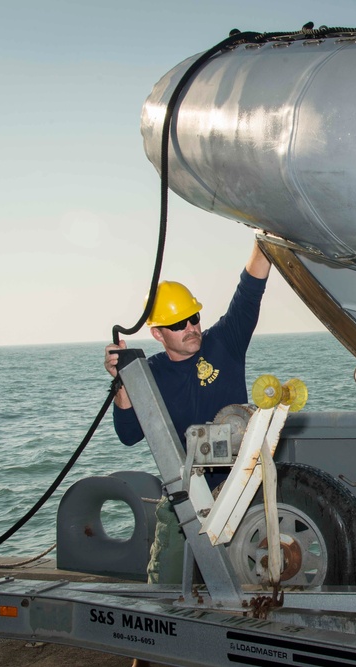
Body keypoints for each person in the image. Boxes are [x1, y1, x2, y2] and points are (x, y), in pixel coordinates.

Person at [103, 242, 271, 592]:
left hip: (239, 489)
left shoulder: (225, 341)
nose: (191, 327)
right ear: (158, 333)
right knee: (165, 589)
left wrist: (265, 241)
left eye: (193, 317)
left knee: (255, 587)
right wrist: (122, 382)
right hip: (185, 497)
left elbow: (250, 288)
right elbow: (129, 434)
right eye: (179, 323)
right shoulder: (148, 375)